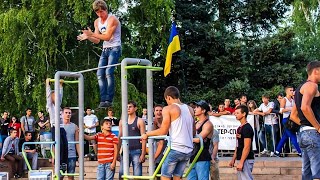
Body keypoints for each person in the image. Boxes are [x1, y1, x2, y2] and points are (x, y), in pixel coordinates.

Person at [142, 86, 195, 180]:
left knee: (165, 177)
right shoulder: (190, 109)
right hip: (188, 149)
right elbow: (193, 132)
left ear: (168, 97)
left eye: (166, 100)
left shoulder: (168, 108)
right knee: (177, 177)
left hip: (175, 148)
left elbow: (163, 131)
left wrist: (147, 134)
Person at [77, 0, 122, 108]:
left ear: (106, 10)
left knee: (108, 72)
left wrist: (92, 34)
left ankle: (109, 99)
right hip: (105, 49)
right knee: (99, 73)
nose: (100, 15)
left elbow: (106, 36)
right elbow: (97, 40)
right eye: (97, 13)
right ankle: (103, 100)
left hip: (115, 48)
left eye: (102, 12)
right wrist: (88, 37)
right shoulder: (97, 22)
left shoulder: (112, 20)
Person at [290, 61, 320, 179]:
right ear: (316, 71)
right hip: (312, 134)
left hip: (303, 134)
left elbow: (293, 115)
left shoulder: (299, 89)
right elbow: (305, 107)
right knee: (317, 173)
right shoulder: (312, 85)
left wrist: (305, 126)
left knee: (306, 173)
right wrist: (317, 126)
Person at [118, 101, 146, 178]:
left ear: (135, 108)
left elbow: (144, 138)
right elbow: (119, 137)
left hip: (136, 150)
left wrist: (143, 153)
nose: (128, 108)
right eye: (127, 107)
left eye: (130, 107)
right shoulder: (122, 121)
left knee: (137, 174)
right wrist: (117, 152)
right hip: (125, 150)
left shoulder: (140, 121)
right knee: (122, 173)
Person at [46, 78, 68, 171]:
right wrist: (47, 85)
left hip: (61, 127)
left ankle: (64, 162)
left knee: (65, 145)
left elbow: (61, 95)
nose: (56, 97)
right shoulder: (50, 106)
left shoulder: (58, 105)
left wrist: (60, 86)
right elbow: (47, 96)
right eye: (54, 96)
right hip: (55, 127)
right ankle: (58, 162)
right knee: (60, 145)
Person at [187, 100, 213, 180]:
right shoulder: (195, 123)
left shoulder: (208, 124)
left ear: (203, 110)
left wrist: (185, 139)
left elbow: (199, 139)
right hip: (193, 156)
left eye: (197, 107)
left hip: (203, 157)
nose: (195, 109)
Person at [229, 105, 254, 180]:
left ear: (244, 114)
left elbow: (247, 146)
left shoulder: (247, 128)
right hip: (240, 158)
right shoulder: (240, 127)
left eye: (237, 113)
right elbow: (238, 145)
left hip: (246, 159)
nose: (235, 114)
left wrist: (242, 162)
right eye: (235, 113)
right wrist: (233, 158)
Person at [275, 86, 301, 157]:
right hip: (286, 119)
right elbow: (281, 110)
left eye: (293, 90)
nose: (292, 91)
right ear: (286, 91)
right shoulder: (284, 99)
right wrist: (291, 109)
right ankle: (300, 152)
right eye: (290, 90)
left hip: (292, 119)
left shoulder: (293, 99)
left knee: (285, 136)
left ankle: (277, 151)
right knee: (293, 136)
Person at [62, 107, 80, 180]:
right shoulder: (58, 126)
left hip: (71, 154)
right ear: (62, 114)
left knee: (71, 176)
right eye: (66, 112)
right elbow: (55, 142)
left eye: (69, 113)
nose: (68, 114)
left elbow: (77, 142)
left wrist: (79, 156)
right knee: (59, 176)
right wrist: (53, 156)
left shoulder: (74, 126)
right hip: (61, 155)